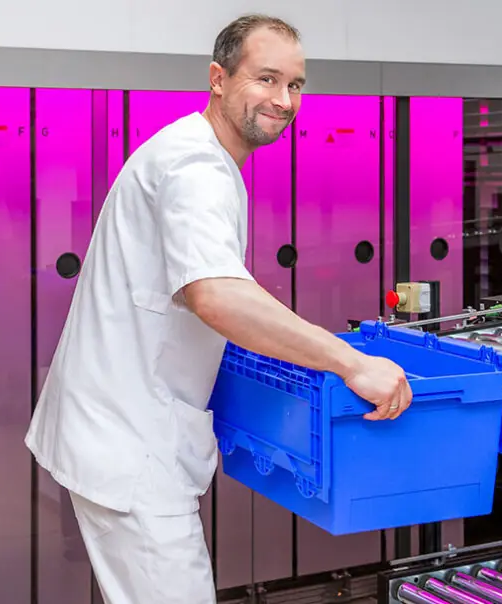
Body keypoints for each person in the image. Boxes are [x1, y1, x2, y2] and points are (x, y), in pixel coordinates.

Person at [24, 13, 413, 604]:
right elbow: (216, 292)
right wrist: (349, 361)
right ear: (218, 78)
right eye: (265, 79)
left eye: (296, 84)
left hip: (122, 430)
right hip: (131, 449)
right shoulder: (196, 166)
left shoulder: (199, 154)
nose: (284, 100)